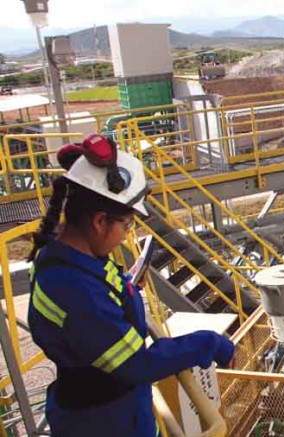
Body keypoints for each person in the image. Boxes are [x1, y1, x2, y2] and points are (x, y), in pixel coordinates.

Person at [27, 134, 235, 436]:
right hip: (106, 422)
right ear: (100, 221)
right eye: (125, 225)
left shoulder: (68, 256)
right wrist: (208, 342)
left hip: (96, 408)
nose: (126, 235)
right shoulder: (73, 289)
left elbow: (99, 298)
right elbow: (136, 364)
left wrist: (127, 286)